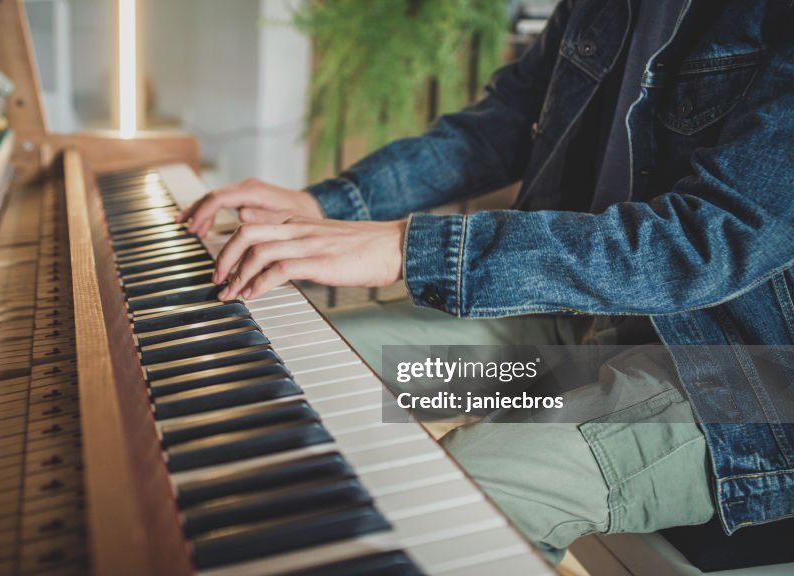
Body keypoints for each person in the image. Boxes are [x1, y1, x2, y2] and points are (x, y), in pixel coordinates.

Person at [177, 0, 794, 564]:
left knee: (465, 490)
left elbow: (706, 241)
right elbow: (500, 124)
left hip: (741, 378)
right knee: (298, 373)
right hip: (578, 319)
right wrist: (325, 202)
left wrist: (406, 248)